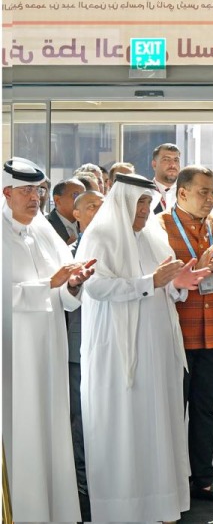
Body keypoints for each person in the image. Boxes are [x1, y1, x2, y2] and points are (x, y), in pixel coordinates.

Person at [78, 172, 209, 523]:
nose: (143, 210)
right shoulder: (101, 235)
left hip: (159, 344)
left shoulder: (153, 234)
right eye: (139, 202)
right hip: (119, 349)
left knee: (159, 420)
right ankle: (125, 508)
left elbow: (167, 283)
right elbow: (96, 288)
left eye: (148, 203)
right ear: (121, 201)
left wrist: (179, 283)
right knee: (125, 423)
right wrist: (149, 283)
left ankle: (161, 502)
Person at [2, 158, 91, 523]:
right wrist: (48, 285)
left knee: (54, 426)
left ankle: (56, 511)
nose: (34, 198)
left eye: (38, 190)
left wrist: (73, 284)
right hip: (13, 355)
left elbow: (64, 294)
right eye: (25, 190)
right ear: (6, 193)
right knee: (22, 426)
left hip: (51, 348)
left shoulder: (44, 229)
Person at [160, 165, 213, 503]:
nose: (211, 199)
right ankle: (172, 479)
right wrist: (197, 263)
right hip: (176, 334)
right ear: (182, 193)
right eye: (203, 192)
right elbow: (158, 279)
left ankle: (204, 479)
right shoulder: (160, 227)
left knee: (206, 409)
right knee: (172, 410)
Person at [67, 188, 104, 507]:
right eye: (91, 207)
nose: (98, 211)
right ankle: (83, 484)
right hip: (78, 344)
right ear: (76, 214)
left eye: (102, 206)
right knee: (81, 417)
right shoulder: (69, 249)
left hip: (108, 345)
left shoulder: (114, 243)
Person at [47, 178, 85, 244]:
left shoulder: (87, 223)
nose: (82, 200)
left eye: (84, 196)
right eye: (76, 195)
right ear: (57, 200)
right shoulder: (45, 225)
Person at [151, 142, 182, 214]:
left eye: (176, 160)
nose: (172, 164)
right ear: (154, 164)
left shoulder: (188, 194)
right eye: (166, 159)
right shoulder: (144, 193)